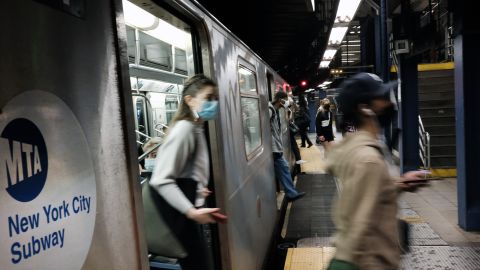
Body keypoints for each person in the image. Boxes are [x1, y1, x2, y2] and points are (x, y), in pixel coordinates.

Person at [326, 73, 429, 270]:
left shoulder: (353, 148)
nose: (388, 102)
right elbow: (360, 225)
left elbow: (362, 192)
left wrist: (398, 183)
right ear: (365, 109)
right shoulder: (369, 159)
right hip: (368, 262)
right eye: (381, 97)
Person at [149, 74, 222, 270]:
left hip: (188, 213)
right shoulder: (185, 129)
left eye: (216, 98)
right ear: (189, 100)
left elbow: (187, 171)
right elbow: (161, 180)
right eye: (208, 98)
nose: (214, 103)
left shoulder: (196, 127)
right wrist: (192, 212)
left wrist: (198, 190)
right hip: (182, 216)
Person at [269, 91, 306, 201]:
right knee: (284, 168)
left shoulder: (274, 109)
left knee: (284, 169)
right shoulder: (270, 109)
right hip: (273, 147)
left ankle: (291, 193)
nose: (286, 103)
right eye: (285, 100)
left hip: (276, 146)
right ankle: (291, 193)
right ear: (281, 100)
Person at [287, 97, 307, 165]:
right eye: (291, 103)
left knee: (294, 145)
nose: (291, 104)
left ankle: (298, 159)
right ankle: (298, 159)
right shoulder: (288, 110)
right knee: (294, 145)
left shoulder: (288, 109)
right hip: (289, 131)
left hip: (288, 130)